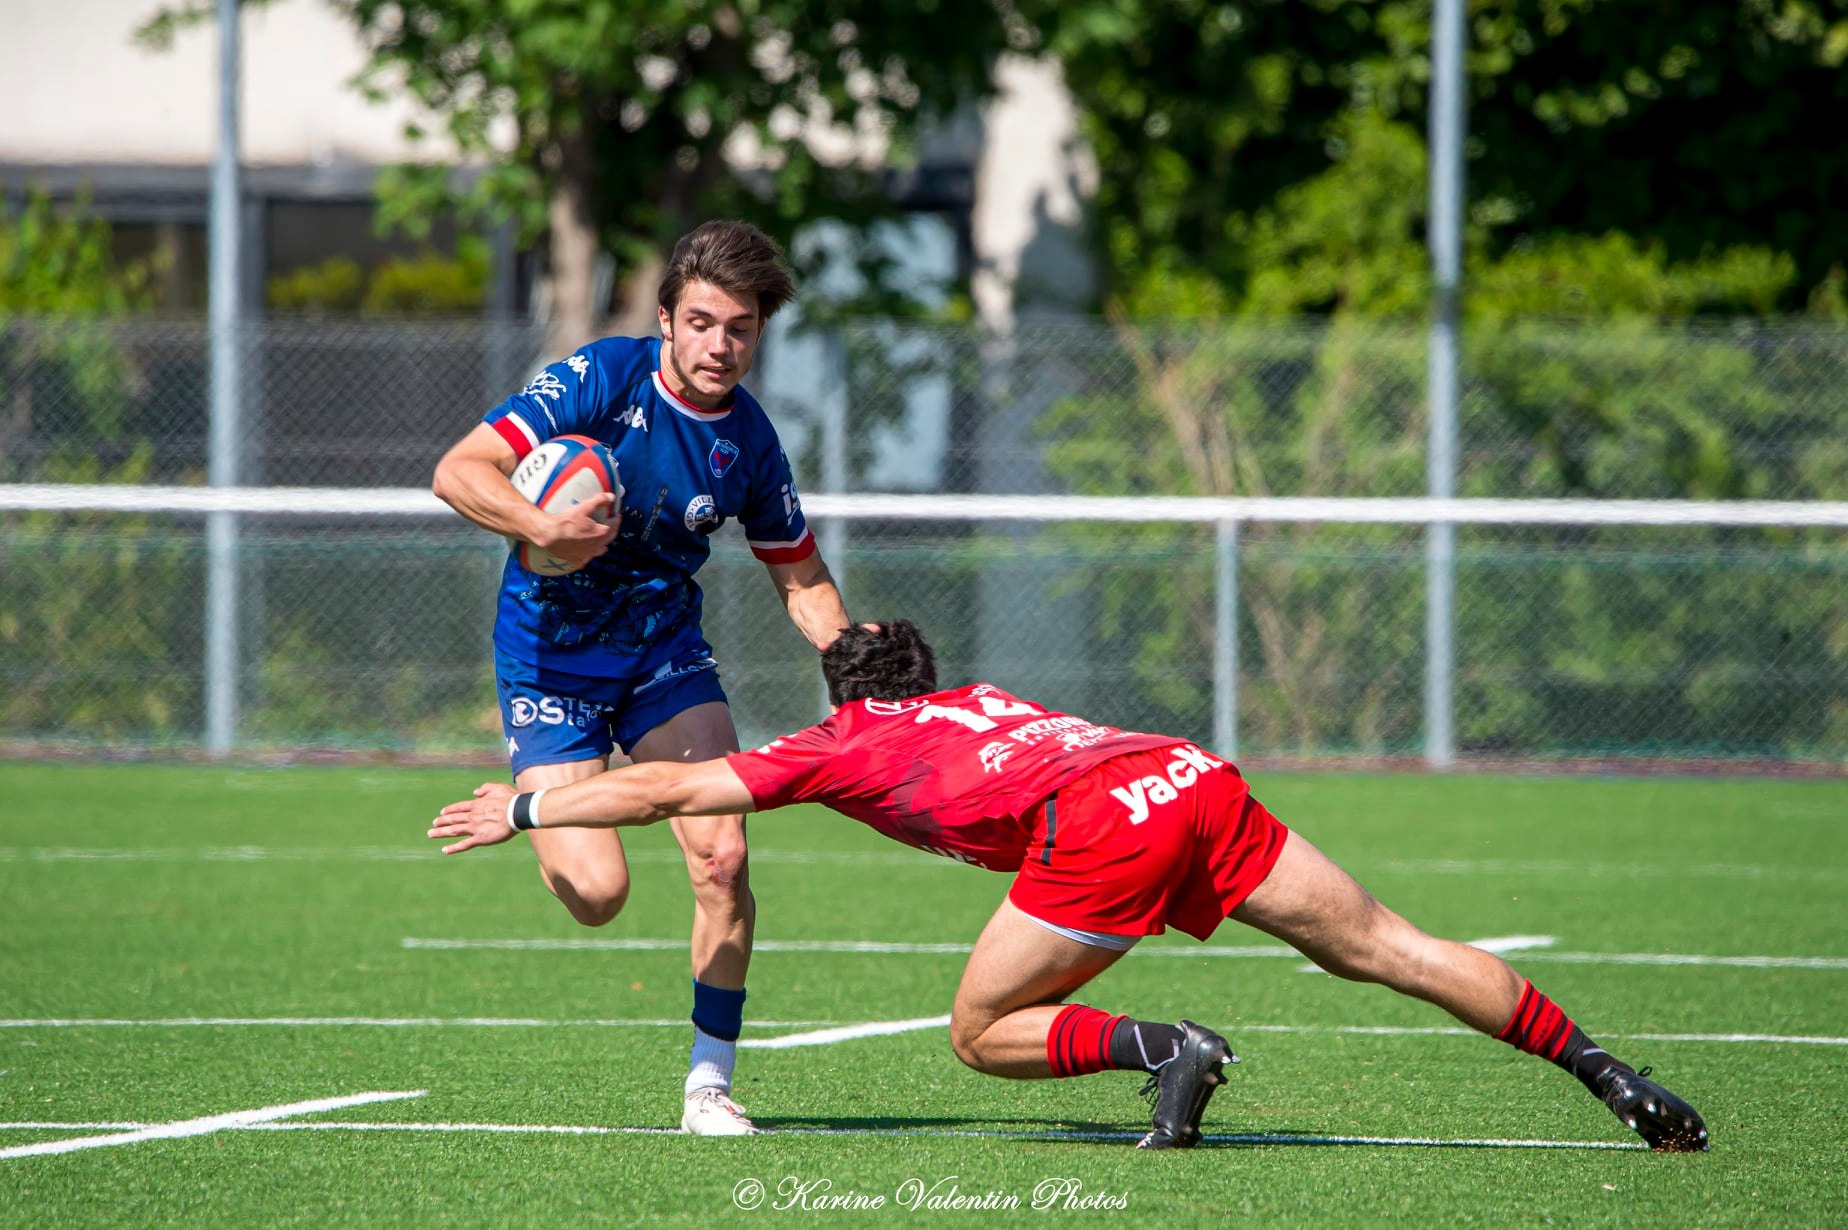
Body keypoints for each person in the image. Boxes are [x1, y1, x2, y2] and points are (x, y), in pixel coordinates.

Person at [426, 621, 1709, 1152]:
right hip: (1180, 773)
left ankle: (1168, 1047)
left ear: (844, 695)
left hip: (1103, 828)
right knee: (1387, 942)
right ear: (929, 675)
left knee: (980, 1037)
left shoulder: (836, 743)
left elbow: (660, 793)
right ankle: (1609, 1075)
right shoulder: (973, 698)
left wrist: (527, 802)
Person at [430, 220, 849, 1136]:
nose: (720, 345)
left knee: (723, 856)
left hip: (664, 653)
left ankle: (709, 1085)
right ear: (665, 319)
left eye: (740, 327)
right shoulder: (602, 378)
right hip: (552, 658)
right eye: (701, 322)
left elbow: (800, 575)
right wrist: (542, 528)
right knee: (598, 894)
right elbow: (460, 470)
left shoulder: (750, 440)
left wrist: (862, 679)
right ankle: (534, 797)